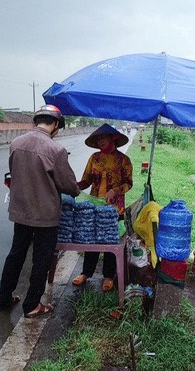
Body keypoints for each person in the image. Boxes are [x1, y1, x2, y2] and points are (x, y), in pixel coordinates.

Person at [0, 104, 80, 318]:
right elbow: (69, 185)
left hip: (21, 211)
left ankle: (3, 299)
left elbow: (15, 173)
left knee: (16, 253)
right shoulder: (56, 150)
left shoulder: (16, 143)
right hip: (45, 215)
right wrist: (76, 189)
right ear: (56, 125)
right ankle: (32, 305)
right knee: (41, 259)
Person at [72, 123, 133, 291]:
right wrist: (74, 186)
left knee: (109, 240)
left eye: (103, 138)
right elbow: (86, 180)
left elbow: (129, 183)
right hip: (95, 207)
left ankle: (108, 275)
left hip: (115, 209)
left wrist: (115, 191)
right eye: (98, 139)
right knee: (92, 238)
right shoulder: (94, 158)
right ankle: (86, 273)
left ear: (113, 138)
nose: (100, 142)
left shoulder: (123, 160)